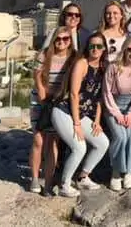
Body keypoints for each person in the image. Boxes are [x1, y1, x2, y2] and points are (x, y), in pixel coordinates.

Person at [50, 32, 110, 197]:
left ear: (104, 48)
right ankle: (64, 185)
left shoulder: (104, 67)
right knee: (79, 147)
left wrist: (97, 121)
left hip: (82, 114)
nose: (95, 49)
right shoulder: (82, 64)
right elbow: (74, 94)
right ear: (87, 47)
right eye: (92, 46)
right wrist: (77, 124)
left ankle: (83, 177)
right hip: (65, 111)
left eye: (99, 46)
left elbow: (100, 98)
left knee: (102, 142)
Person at [28, 26, 74, 194]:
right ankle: (34, 178)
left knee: (53, 141)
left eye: (65, 39)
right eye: (58, 39)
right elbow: (36, 74)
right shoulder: (44, 54)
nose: (61, 42)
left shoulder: (72, 57)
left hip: (58, 100)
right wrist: (42, 89)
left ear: (70, 41)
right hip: (40, 100)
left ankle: (48, 182)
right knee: (38, 139)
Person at [102, 37, 131, 191]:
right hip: (113, 106)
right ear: (124, 49)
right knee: (120, 137)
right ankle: (116, 172)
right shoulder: (114, 67)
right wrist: (116, 114)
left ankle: (128, 171)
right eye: (130, 49)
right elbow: (106, 92)